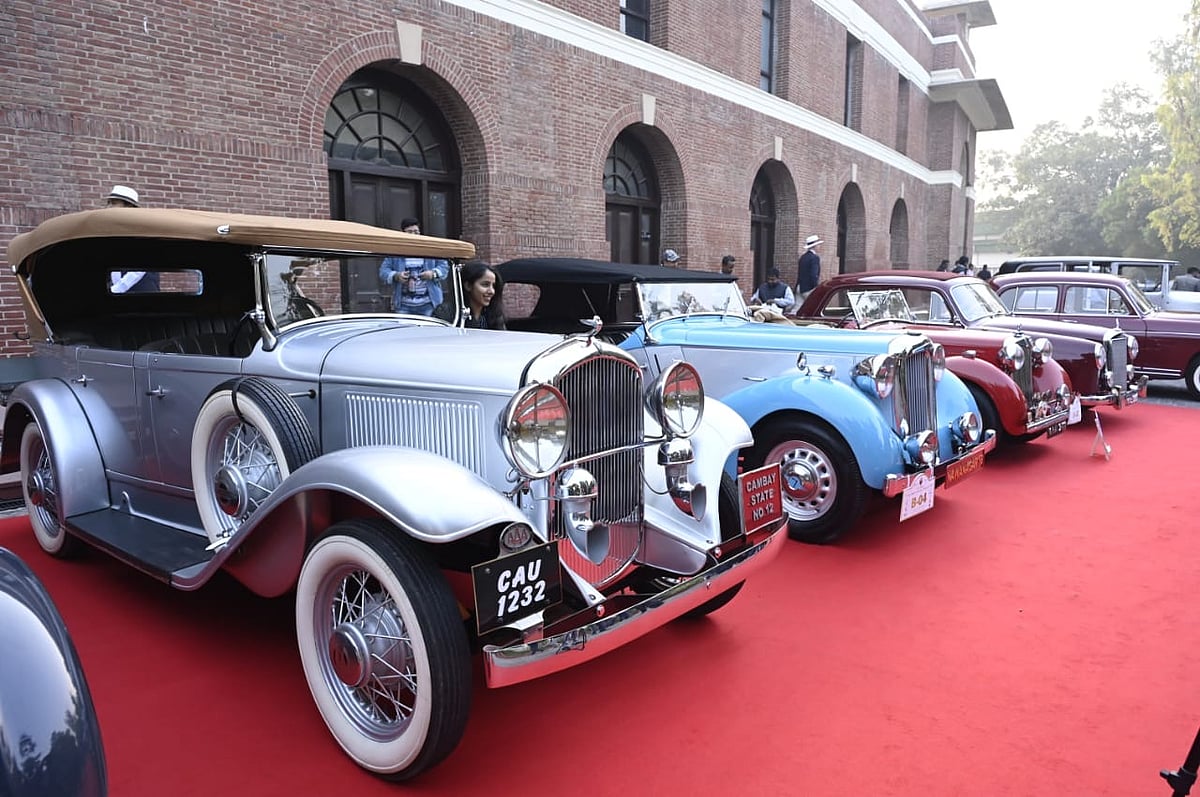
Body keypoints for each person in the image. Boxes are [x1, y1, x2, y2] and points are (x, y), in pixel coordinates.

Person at [379, 217, 449, 315]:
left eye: (416, 232)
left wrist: (433, 274)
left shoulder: (430, 249)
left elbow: (444, 267)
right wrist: (396, 276)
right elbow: (383, 271)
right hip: (403, 305)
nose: (413, 235)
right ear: (402, 233)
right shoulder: (395, 252)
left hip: (429, 303)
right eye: (410, 232)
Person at [104, 185, 160, 293]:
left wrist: (118, 289)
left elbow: (141, 266)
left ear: (128, 206)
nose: (109, 207)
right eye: (109, 203)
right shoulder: (113, 230)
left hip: (143, 293)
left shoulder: (143, 229)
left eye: (114, 203)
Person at [460, 260, 506, 329]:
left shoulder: (494, 317)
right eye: (485, 285)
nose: (492, 291)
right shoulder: (453, 316)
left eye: (494, 286)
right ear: (468, 286)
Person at [796, 234, 823, 305]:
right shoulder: (815, 258)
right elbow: (814, 275)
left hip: (800, 287)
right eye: (818, 245)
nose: (819, 247)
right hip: (809, 289)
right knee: (814, 307)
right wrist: (816, 288)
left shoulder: (803, 257)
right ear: (815, 246)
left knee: (797, 310)